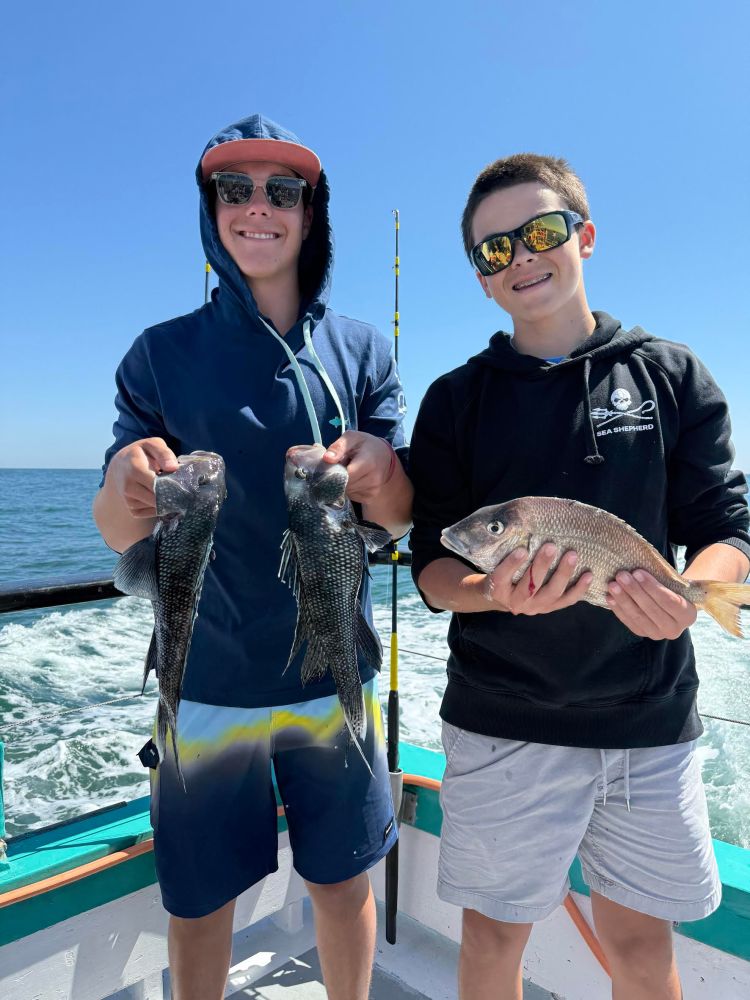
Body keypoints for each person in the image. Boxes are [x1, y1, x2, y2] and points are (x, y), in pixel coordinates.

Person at [408, 153, 750, 1000]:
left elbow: (726, 529)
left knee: (640, 947)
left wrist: (685, 598)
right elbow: (433, 568)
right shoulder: (455, 401)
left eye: (541, 233)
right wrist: (492, 592)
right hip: (502, 723)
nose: (521, 258)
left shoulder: (672, 375)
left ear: (584, 238)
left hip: (650, 722)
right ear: (481, 280)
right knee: (491, 942)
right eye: (494, 251)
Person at [93, 114, 412, 1000]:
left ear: (314, 214)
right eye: (234, 190)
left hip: (334, 676)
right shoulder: (160, 354)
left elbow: (397, 518)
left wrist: (383, 473)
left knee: (343, 882)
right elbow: (120, 535)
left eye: (285, 191)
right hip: (204, 678)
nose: (259, 208)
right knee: (198, 901)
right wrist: (124, 478)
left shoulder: (361, 349)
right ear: (210, 211)